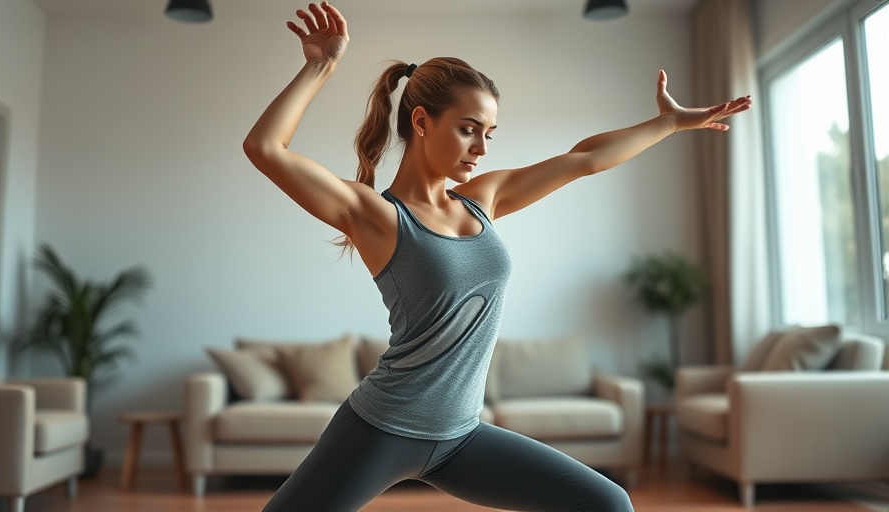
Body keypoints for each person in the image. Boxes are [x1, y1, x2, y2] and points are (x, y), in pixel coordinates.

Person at [243, 2, 751, 511]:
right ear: (421, 121)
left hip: (460, 437)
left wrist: (669, 124)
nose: (481, 148)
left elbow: (583, 159)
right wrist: (321, 66)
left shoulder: (481, 200)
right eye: (468, 129)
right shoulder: (376, 215)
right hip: (382, 427)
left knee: (608, 504)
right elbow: (266, 148)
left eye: (488, 134)